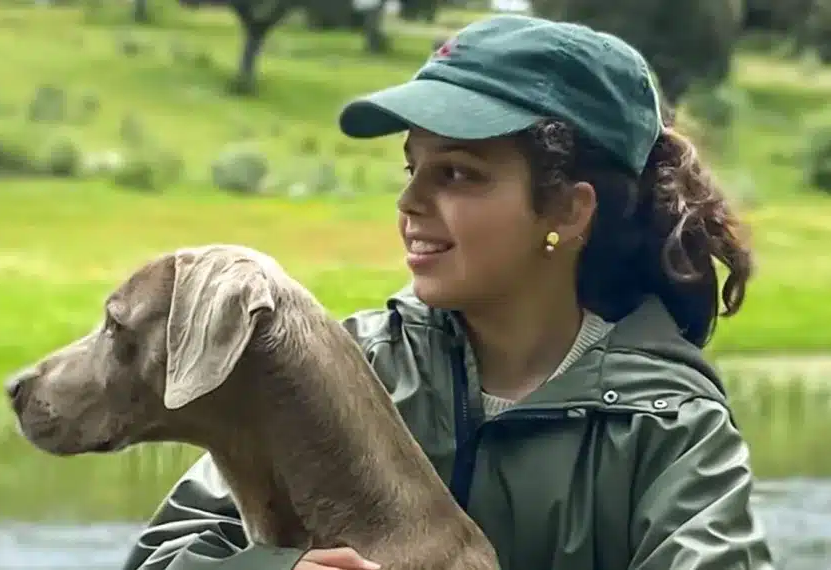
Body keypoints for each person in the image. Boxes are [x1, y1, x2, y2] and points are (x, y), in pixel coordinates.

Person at [121, 14, 776, 570]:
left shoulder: (669, 426)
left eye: (458, 173)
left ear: (569, 213)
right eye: (413, 168)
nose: (410, 201)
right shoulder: (347, 368)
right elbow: (160, 554)